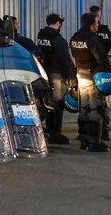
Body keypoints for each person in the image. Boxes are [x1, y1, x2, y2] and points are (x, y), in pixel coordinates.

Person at [70, 12, 111, 152]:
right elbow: (100, 58)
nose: (97, 25)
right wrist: (107, 68)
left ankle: (83, 140)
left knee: (84, 108)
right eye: (96, 23)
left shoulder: (75, 37)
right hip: (92, 76)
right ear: (91, 25)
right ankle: (94, 143)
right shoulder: (92, 38)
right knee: (96, 108)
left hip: (80, 75)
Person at [36, 13, 76, 145]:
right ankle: (55, 135)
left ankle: (49, 132)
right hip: (57, 75)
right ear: (58, 23)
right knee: (56, 105)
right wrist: (72, 76)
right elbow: (65, 58)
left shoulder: (41, 35)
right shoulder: (57, 38)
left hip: (45, 73)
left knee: (47, 103)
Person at [89, 5, 111, 140]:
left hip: (89, 69)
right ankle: (104, 130)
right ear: (99, 16)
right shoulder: (105, 31)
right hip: (102, 69)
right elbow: (108, 46)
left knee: (89, 101)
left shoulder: (87, 32)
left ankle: (92, 132)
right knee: (101, 101)